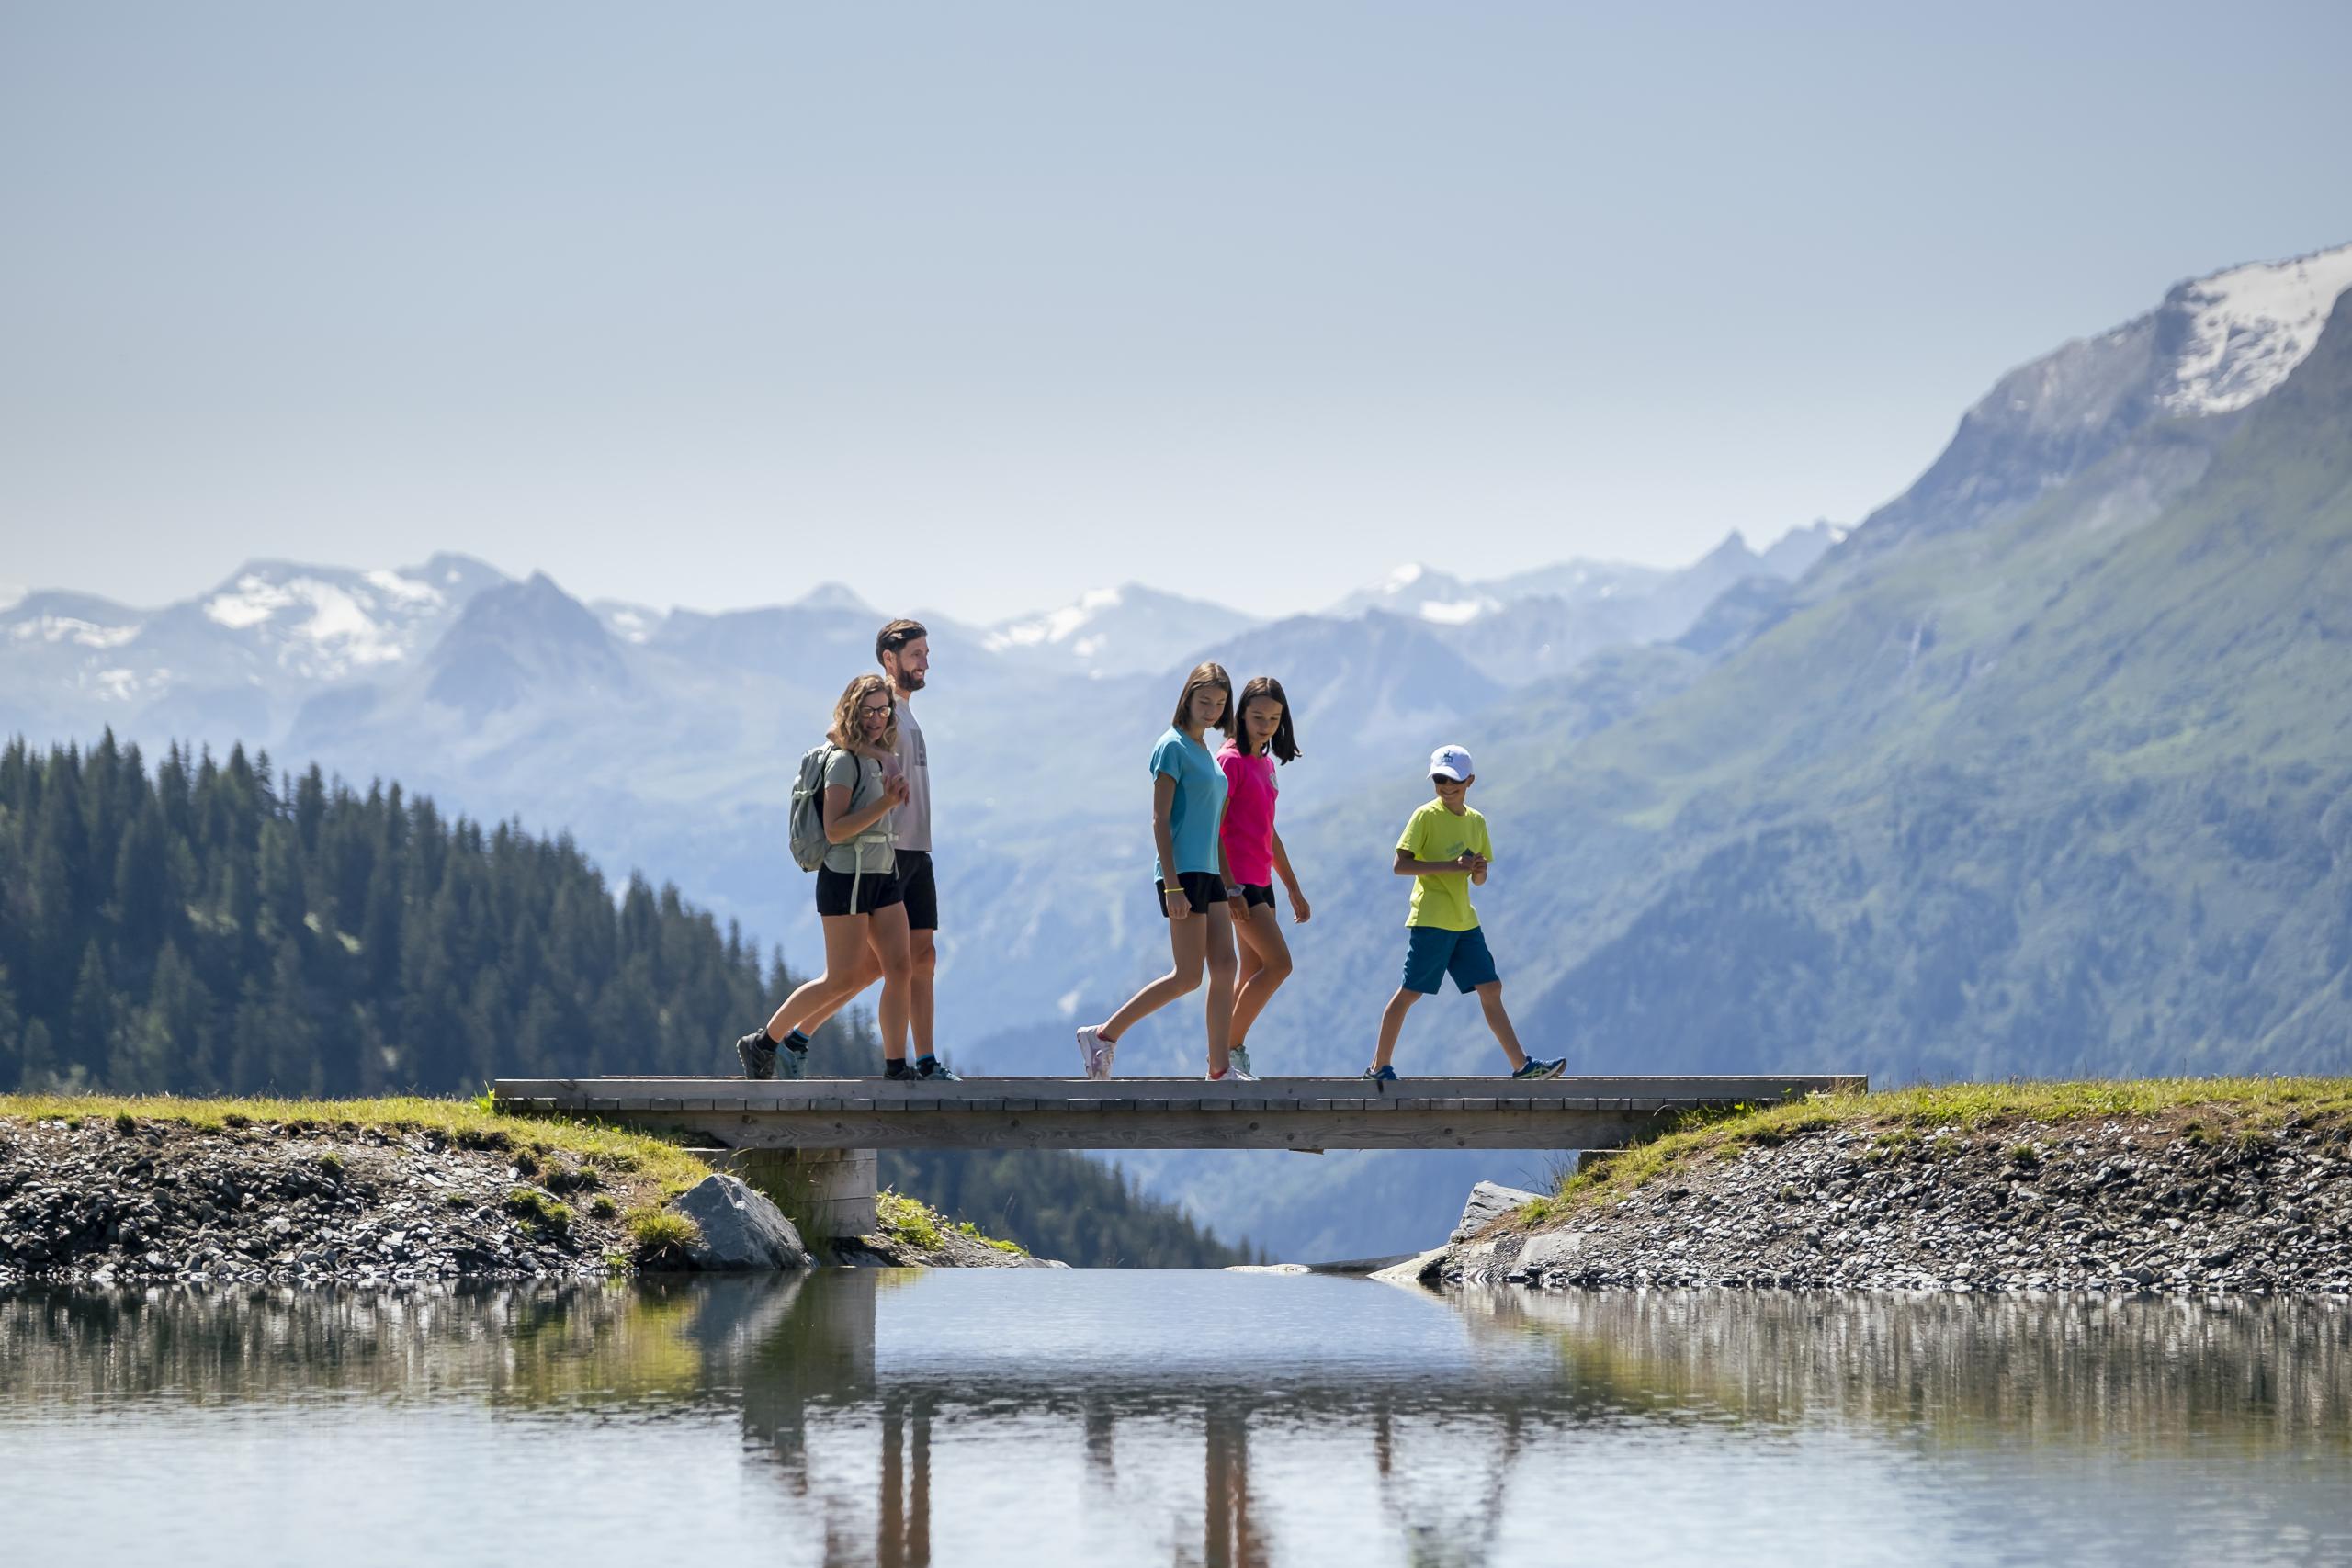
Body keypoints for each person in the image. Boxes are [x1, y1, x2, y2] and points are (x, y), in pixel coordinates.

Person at [741, 621, 959, 1081]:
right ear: (889, 658)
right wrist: (883, 760)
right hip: (885, 851)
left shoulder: (906, 712)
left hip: (917, 848)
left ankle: (914, 1060)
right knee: (881, 966)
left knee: (916, 960)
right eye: (916, 654)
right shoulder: (881, 702)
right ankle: (903, 1060)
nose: (925, 662)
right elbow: (835, 735)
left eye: (926, 653)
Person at [1075, 661, 1246, 1080]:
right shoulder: (1171, 746)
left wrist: (1231, 883)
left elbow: (1215, 827)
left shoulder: (1205, 750)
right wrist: (1171, 885)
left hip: (1210, 874)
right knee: (1187, 976)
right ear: (1187, 697)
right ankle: (1103, 1034)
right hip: (1182, 874)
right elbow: (1160, 820)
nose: (1210, 709)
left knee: (1226, 968)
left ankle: (1220, 1069)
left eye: (1219, 703)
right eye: (1204, 700)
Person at [1364, 744, 1564, 1083]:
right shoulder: (1425, 815)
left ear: (1470, 780)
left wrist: (1478, 870)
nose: (1446, 787)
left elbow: (1479, 880)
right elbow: (1400, 865)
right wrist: (1451, 865)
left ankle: (1522, 1067)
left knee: (1491, 986)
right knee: (1410, 992)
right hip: (1431, 918)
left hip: (1464, 920)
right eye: (1439, 780)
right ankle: (1378, 1068)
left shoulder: (1477, 821)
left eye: (1453, 780)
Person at [1216, 676, 1310, 1077]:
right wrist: (1230, 888)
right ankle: (1225, 1053)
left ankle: (1226, 1058)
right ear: (1241, 714)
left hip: (1262, 882)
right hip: (1238, 883)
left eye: (1274, 717)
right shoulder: (1230, 761)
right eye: (1258, 716)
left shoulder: (1266, 763)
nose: (1266, 724)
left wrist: (1292, 887)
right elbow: (1213, 828)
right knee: (1280, 965)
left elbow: (1268, 830)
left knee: (1252, 973)